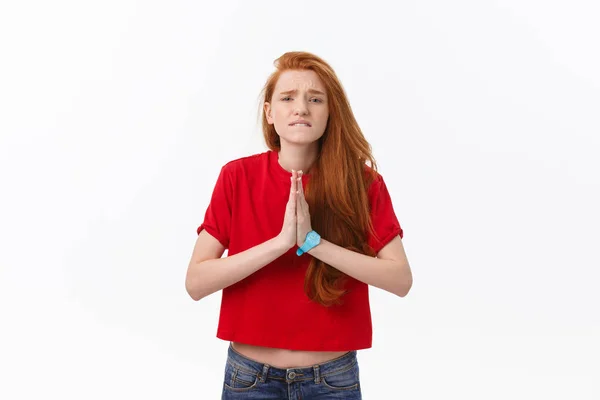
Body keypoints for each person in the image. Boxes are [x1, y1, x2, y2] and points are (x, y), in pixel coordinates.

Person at [185, 51, 413, 399]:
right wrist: (279, 243)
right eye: (287, 98)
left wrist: (314, 243)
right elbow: (196, 283)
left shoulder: (363, 183)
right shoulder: (236, 177)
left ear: (330, 111)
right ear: (269, 113)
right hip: (250, 379)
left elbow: (400, 279)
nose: (301, 108)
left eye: (315, 99)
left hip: (332, 379)